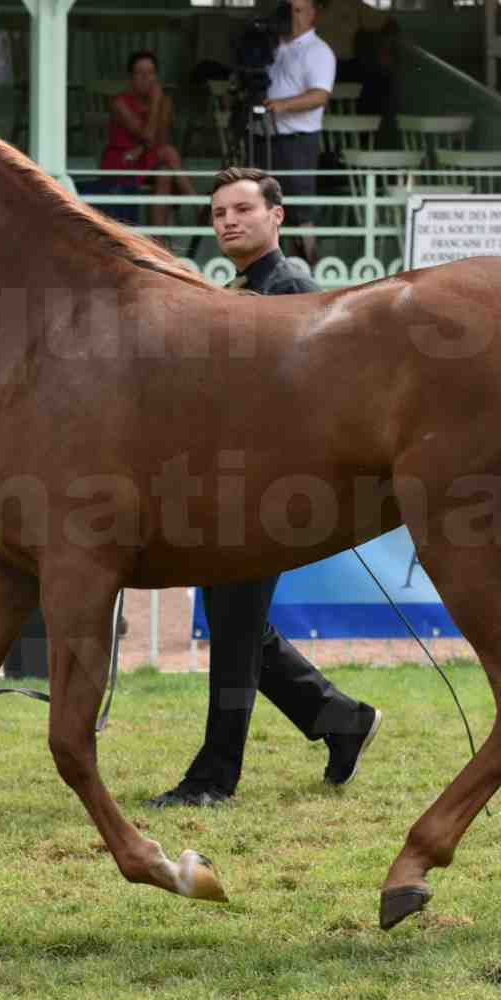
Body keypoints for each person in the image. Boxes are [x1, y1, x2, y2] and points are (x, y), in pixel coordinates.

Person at [145, 166, 383, 809]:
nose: (228, 220)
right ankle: (342, 720)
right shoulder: (239, 288)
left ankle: (213, 778)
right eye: (219, 211)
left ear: (277, 216)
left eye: (242, 209)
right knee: (243, 627)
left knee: (235, 630)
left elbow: (306, 401)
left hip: (265, 499)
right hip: (234, 495)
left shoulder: (293, 289)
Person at [258, 0, 336, 264]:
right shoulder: (275, 47)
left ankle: (310, 266)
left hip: (298, 139)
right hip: (267, 135)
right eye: (286, 10)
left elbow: (319, 95)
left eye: (298, 10)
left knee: (300, 208)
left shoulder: (318, 51)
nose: (291, 16)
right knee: (267, 205)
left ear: (312, 15)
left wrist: (281, 105)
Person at [100, 51, 199, 241]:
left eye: (151, 73)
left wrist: (143, 148)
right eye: (140, 73)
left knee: (164, 172)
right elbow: (147, 135)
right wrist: (155, 104)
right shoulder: (120, 103)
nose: (146, 78)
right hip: (123, 161)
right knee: (168, 154)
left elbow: (158, 139)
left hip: (147, 158)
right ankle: (197, 205)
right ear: (131, 78)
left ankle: (158, 243)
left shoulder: (164, 102)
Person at [312, 0, 397, 122]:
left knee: (378, 81)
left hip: (343, 65)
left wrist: (386, 50)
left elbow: (388, 23)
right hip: (314, 66)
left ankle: (365, 133)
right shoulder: (305, 4)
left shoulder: (351, 5)